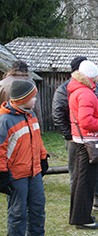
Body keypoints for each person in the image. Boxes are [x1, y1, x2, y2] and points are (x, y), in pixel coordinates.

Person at [52, 56, 98, 213]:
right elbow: (58, 115)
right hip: (77, 139)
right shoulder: (65, 89)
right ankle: (79, 208)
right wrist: (70, 136)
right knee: (77, 174)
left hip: (95, 138)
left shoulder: (95, 87)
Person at [0, 80, 48, 235]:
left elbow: (38, 139)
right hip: (16, 175)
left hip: (34, 173)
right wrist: (2, 174)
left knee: (38, 208)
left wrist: (43, 158)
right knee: (18, 213)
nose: (35, 100)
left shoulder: (31, 115)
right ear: (23, 99)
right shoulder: (5, 120)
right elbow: (0, 149)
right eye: (33, 97)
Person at [68, 60, 98, 229]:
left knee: (80, 179)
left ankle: (78, 214)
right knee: (86, 180)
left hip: (81, 139)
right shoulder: (85, 93)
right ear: (92, 75)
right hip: (88, 141)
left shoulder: (77, 90)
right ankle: (83, 219)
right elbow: (85, 120)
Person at [0, 61, 43, 126]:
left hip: (4, 120)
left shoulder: (2, 83)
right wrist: (38, 125)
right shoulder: (29, 83)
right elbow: (36, 107)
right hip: (25, 121)